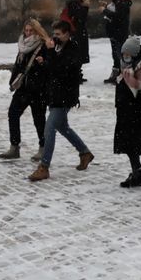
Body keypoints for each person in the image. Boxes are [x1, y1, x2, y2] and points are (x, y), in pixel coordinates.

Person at [28, 19, 93, 182]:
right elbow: (53, 68)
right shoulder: (57, 45)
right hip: (54, 94)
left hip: (65, 96)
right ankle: (85, 153)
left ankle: (44, 167)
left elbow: (64, 70)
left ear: (67, 34)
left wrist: (50, 54)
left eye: (58, 34)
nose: (55, 37)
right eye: (54, 33)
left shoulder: (74, 48)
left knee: (49, 129)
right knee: (63, 127)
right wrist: (45, 62)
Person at [0, 18, 49, 161]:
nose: (28, 34)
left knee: (39, 119)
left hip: (38, 89)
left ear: (37, 31)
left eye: (31, 31)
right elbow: (18, 65)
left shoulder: (43, 45)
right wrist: (13, 80)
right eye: (26, 30)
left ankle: (43, 147)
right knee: (13, 114)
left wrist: (42, 63)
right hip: (23, 88)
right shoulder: (22, 45)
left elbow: (50, 67)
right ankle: (14, 147)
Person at [112, 37, 141, 188]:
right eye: (123, 54)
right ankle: (137, 171)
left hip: (137, 115)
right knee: (126, 144)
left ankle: (138, 171)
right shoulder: (125, 68)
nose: (125, 57)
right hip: (124, 113)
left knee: (133, 144)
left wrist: (136, 86)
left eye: (128, 54)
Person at [101, 0, 132, 83]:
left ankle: (121, 76)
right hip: (114, 33)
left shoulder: (122, 4)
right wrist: (106, 8)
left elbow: (118, 17)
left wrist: (104, 11)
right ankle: (115, 75)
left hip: (119, 34)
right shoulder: (118, 3)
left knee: (119, 55)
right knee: (115, 55)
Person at [60, 0, 91, 77]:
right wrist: (85, 7)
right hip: (77, 31)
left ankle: (77, 73)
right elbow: (81, 17)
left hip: (77, 31)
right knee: (78, 52)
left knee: (78, 52)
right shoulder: (74, 3)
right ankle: (76, 74)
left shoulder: (74, 3)